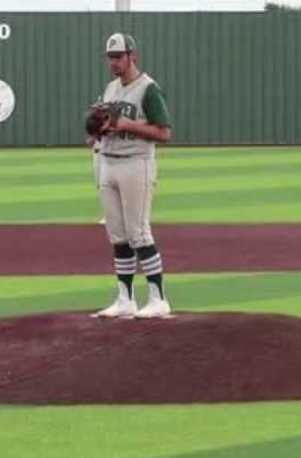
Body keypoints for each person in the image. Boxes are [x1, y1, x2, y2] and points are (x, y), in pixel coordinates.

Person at [91, 33, 173, 319]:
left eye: (119, 57)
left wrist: (127, 124)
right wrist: (96, 132)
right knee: (118, 235)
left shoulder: (148, 89)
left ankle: (158, 297)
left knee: (138, 232)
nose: (114, 63)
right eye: (110, 57)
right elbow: (102, 125)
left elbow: (164, 132)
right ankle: (125, 299)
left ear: (132, 56)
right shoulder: (111, 88)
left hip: (136, 163)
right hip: (108, 162)